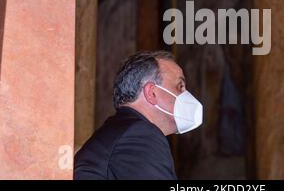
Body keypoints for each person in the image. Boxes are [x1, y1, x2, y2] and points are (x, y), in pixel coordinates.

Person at [74, 51, 203, 180]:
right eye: (180, 86)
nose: (186, 94)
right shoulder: (140, 134)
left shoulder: (122, 130)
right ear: (152, 93)